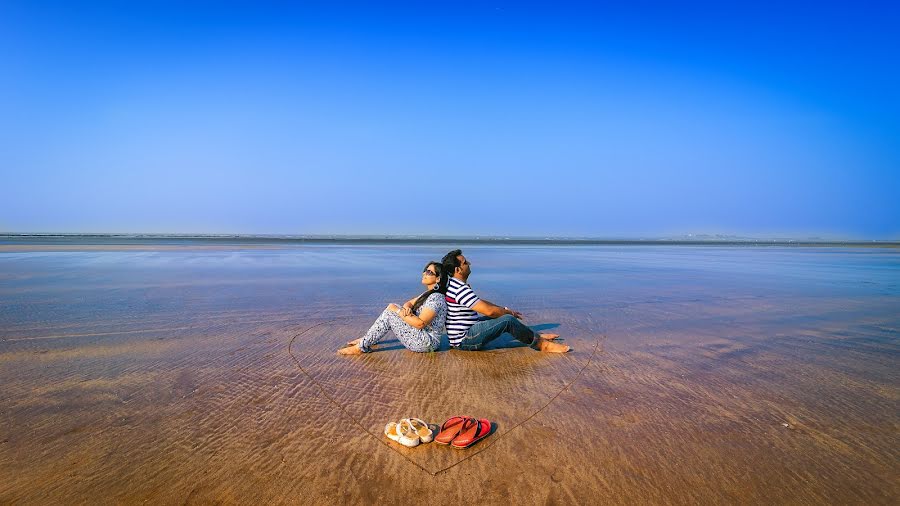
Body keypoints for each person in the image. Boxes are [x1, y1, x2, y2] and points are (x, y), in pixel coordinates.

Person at [441, 249, 569, 353]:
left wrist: (504, 310)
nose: (469, 263)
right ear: (458, 270)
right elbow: (489, 311)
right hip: (465, 339)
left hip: (465, 332)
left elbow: (480, 302)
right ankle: (542, 345)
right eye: (465, 262)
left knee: (502, 317)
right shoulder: (459, 289)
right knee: (507, 321)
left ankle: (535, 335)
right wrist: (509, 314)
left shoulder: (455, 285)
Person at [339, 261, 448, 355]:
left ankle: (361, 347)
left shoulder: (436, 298)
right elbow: (409, 302)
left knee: (390, 312)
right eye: (425, 270)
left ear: (438, 278)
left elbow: (420, 324)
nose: (424, 273)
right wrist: (406, 309)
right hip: (422, 337)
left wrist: (397, 310)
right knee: (393, 307)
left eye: (429, 272)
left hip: (427, 343)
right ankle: (367, 339)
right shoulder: (429, 293)